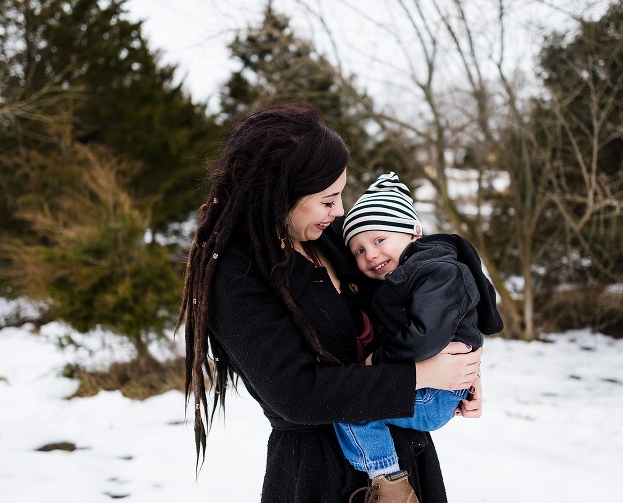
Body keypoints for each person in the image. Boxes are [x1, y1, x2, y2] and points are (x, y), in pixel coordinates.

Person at [176, 101, 483, 503]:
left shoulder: (333, 240)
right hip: (321, 477)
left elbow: (412, 299)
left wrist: (455, 373)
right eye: (327, 200)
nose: (339, 210)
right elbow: (295, 393)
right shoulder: (236, 275)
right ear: (279, 194)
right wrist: (421, 376)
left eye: (339, 197)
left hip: (410, 453)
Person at [335, 172, 504, 498]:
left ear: (414, 232)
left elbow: (427, 335)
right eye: (357, 250)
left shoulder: (436, 270)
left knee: (351, 402)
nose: (369, 254)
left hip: (435, 393)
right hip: (441, 387)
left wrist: (378, 360)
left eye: (379, 240)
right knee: (357, 398)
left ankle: (389, 482)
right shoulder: (417, 272)